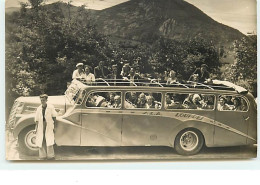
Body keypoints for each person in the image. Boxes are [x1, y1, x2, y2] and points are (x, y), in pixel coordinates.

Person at [34, 94, 57, 160]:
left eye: (44, 100)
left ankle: (51, 156)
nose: (42, 102)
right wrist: (36, 128)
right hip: (41, 126)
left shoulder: (51, 107)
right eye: (41, 100)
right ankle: (42, 156)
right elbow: (37, 120)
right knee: (41, 140)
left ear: (46, 100)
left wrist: (54, 127)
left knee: (49, 140)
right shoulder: (39, 108)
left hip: (49, 125)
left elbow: (54, 117)